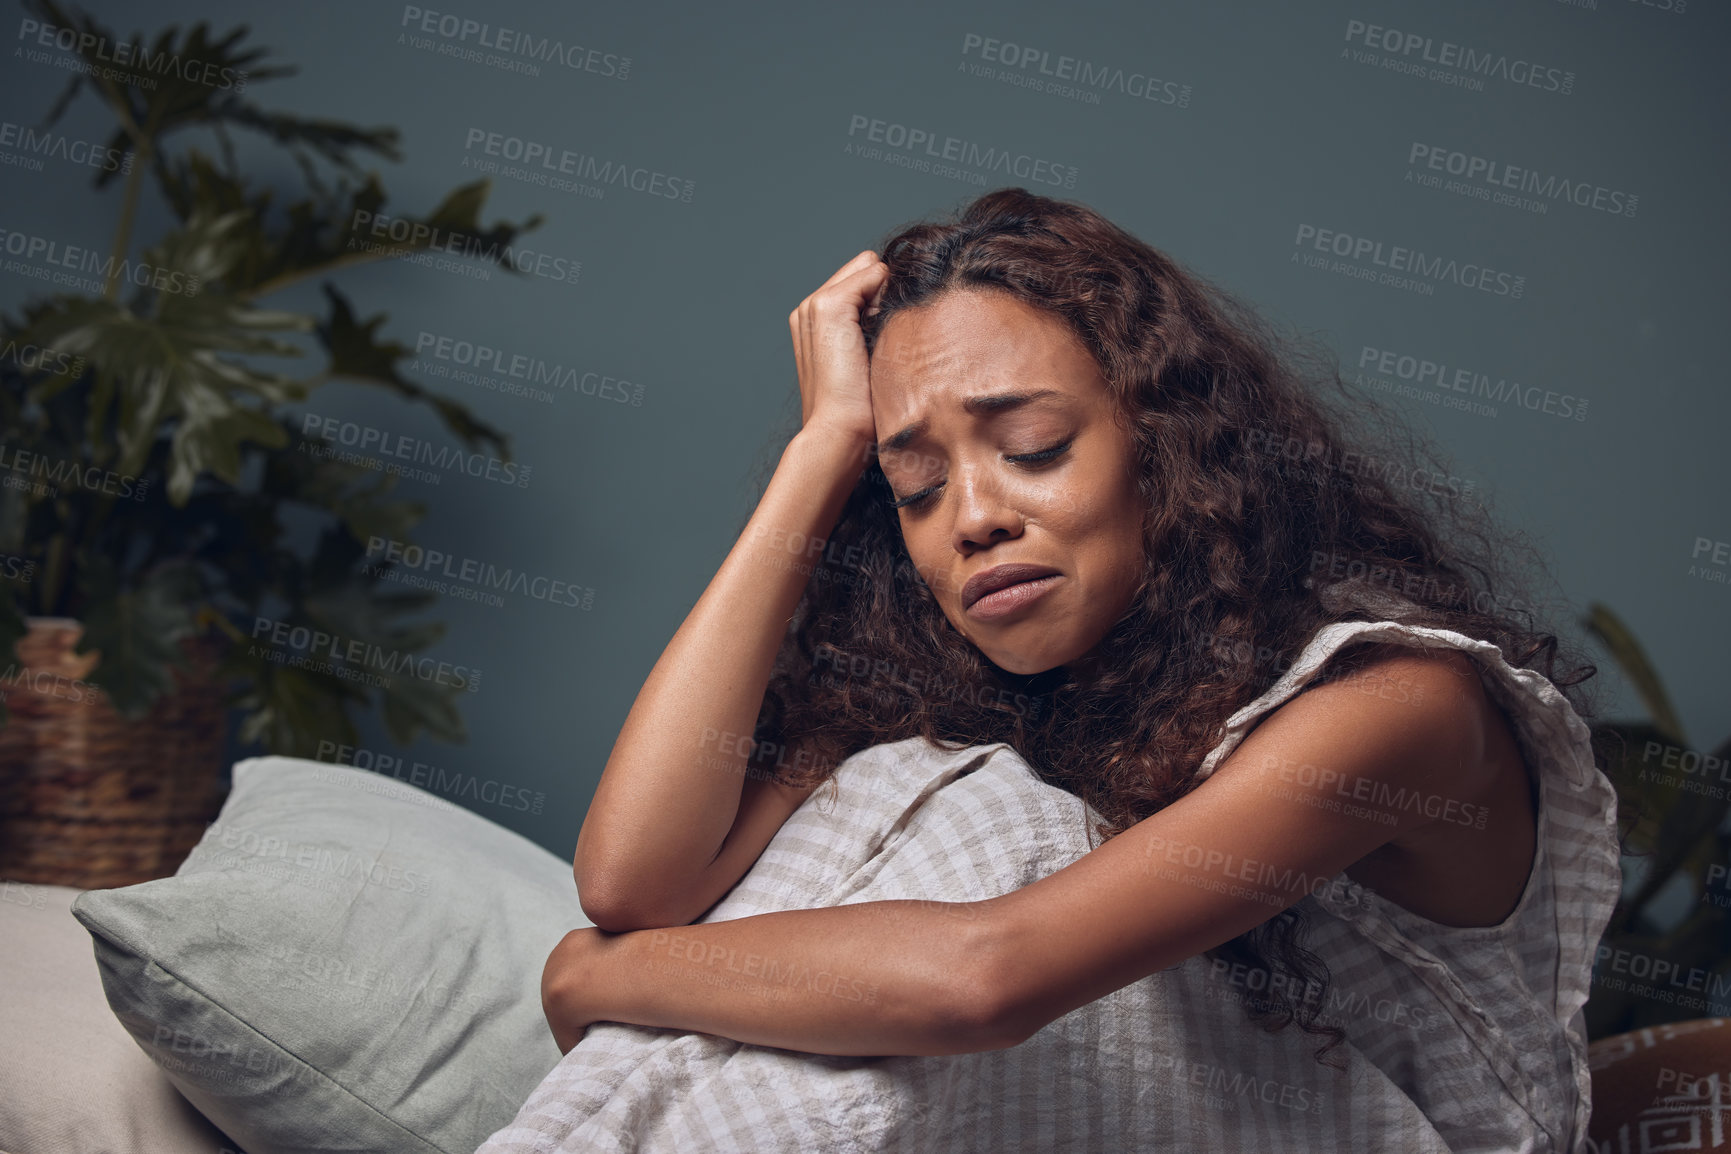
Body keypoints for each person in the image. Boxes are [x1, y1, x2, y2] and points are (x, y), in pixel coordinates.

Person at [542, 187, 1623, 1150]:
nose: (972, 518)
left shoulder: (1401, 702)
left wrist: (602, 975)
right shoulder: (956, 690)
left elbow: (984, 980)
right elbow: (636, 880)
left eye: (1034, 448)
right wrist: (824, 447)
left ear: (1165, 444)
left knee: (995, 825)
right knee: (893, 788)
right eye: (914, 486)